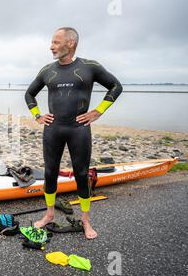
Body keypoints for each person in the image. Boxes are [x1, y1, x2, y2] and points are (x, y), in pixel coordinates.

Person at [24, 27, 123, 239]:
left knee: (81, 174)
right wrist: (38, 116)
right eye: (51, 42)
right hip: (53, 129)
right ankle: (49, 214)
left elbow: (115, 86)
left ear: (70, 43)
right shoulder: (47, 70)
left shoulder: (89, 67)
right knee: (50, 173)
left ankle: (85, 220)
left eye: (56, 42)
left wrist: (98, 111)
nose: (51, 46)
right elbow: (29, 93)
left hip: (79, 129)